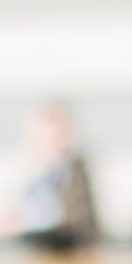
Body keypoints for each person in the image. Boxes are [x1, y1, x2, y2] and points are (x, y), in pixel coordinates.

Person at [17, 106, 98, 254]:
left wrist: (27, 223)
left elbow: (75, 218)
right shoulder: (32, 170)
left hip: (67, 249)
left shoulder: (75, 170)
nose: (48, 142)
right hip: (36, 249)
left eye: (54, 136)